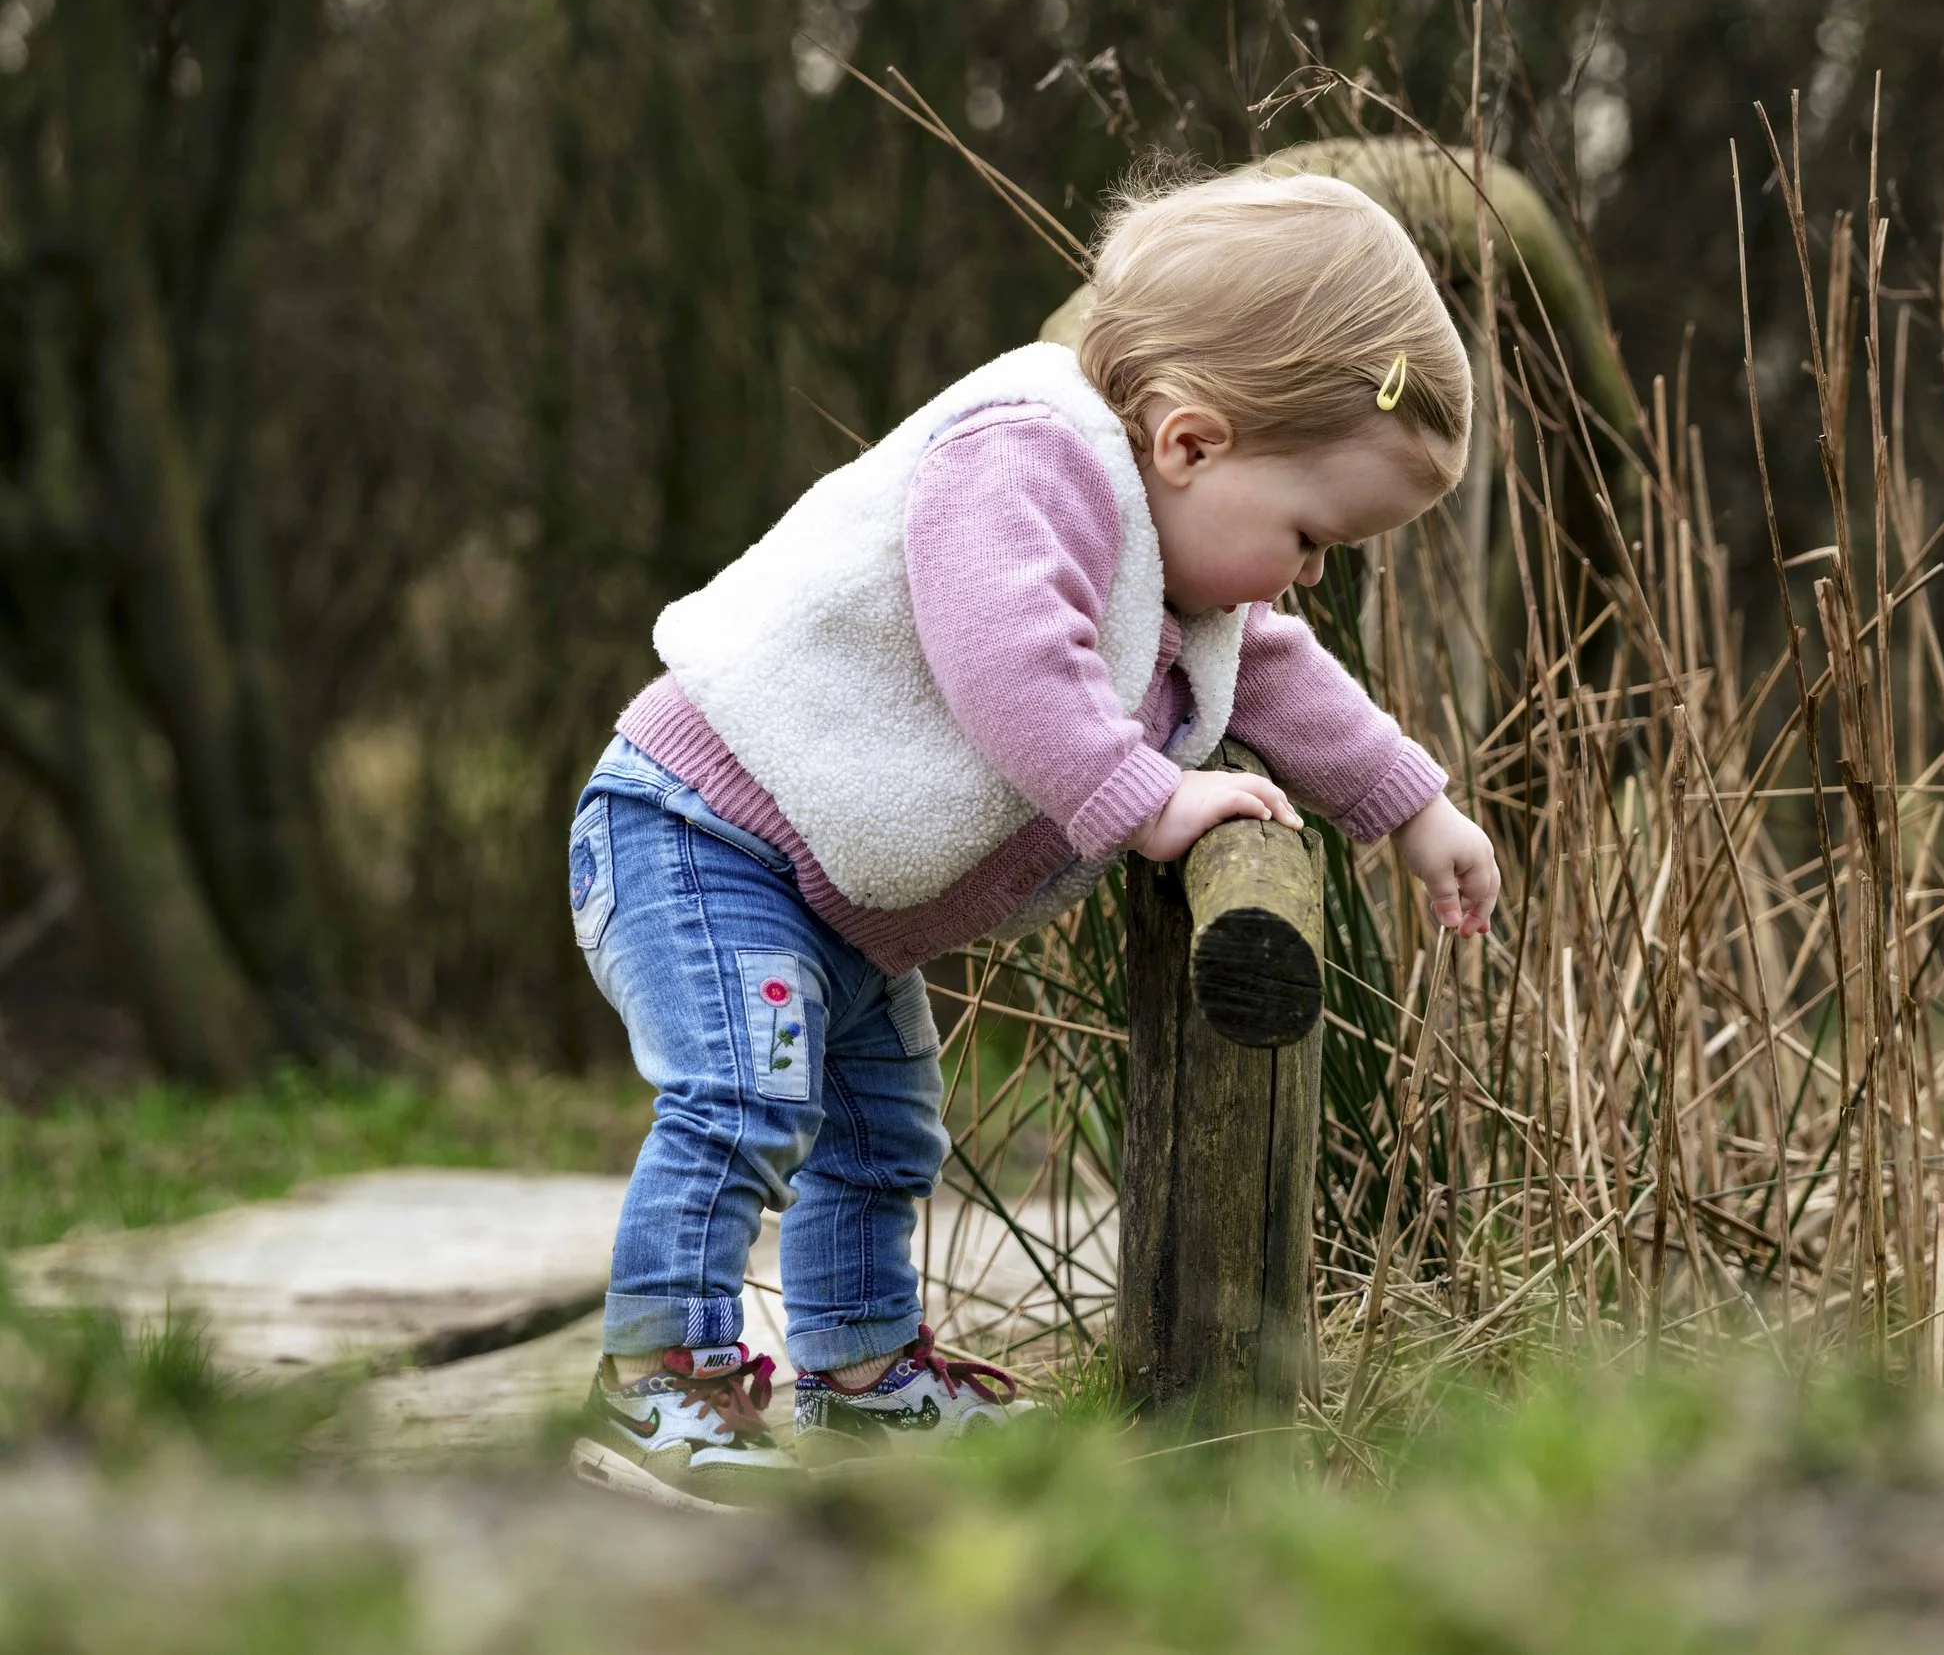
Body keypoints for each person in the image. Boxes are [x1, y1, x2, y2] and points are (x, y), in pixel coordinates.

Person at [563, 164, 1501, 1509]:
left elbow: (1279, 674)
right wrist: (1149, 798)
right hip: (702, 830)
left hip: (825, 894)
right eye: (1310, 535)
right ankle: (661, 1381)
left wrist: (1411, 803)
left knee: (887, 1131)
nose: (1306, 575)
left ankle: (864, 1377)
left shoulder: (1177, 563)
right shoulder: (1024, 455)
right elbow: (1008, 652)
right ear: (1190, 441)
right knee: (746, 1096)